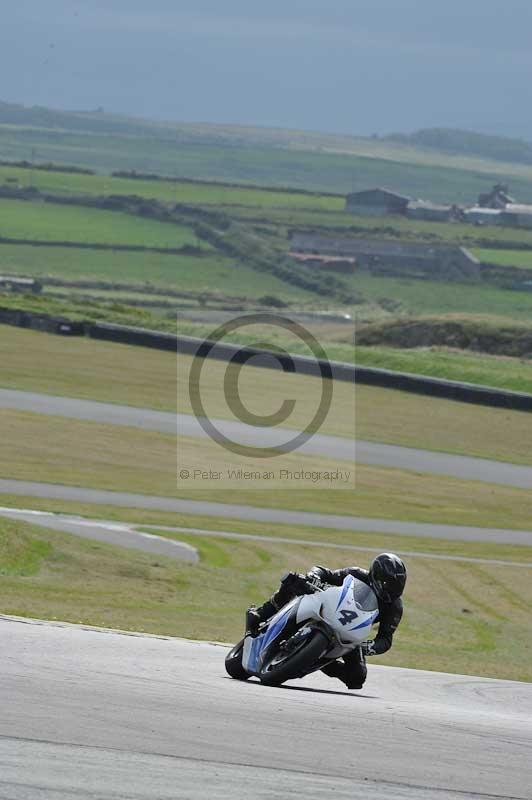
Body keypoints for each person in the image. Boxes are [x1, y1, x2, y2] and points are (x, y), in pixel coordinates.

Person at [246, 553, 406, 690]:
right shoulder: (356, 574)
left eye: (397, 588)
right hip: (329, 608)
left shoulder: (394, 606)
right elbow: (325, 572)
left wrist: (367, 647)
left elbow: (385, 639)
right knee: (294, 581)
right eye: (388, 585)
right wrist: (314, 575)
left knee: (357, 678)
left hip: (351, 633)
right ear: (376, 575)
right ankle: (261, 614)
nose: (391, 592)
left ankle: (321, 660)